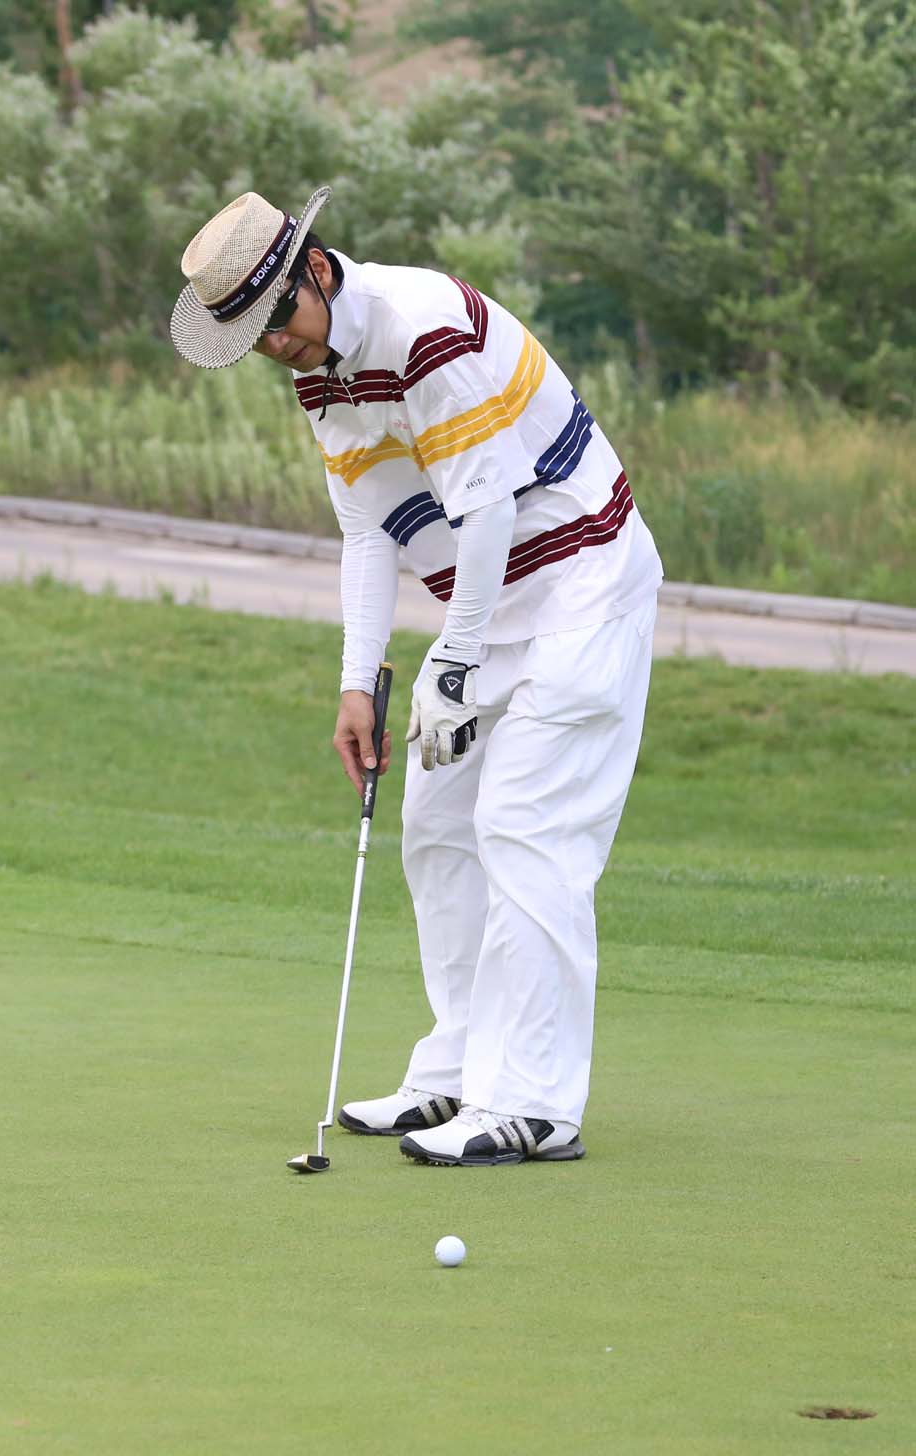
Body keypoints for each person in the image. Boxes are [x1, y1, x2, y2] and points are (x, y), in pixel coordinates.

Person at [171, 185, 663, 1167]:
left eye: (277, 318)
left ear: (315, 270)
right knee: (437, 826)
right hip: (491, 610)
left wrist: (456, 656)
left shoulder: (423, 324)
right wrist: (358, 683)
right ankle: (460, 1068)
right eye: (253, 337)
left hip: (580, 591)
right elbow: (368, 531)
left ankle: (531, 1103)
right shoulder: (320, 376)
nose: (274, 345)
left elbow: (486, 511)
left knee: (524, 829)